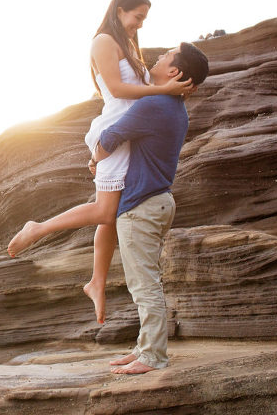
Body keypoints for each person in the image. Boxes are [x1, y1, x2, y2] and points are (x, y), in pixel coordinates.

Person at [7, 0, 192, 325]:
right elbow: (118, 90)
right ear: (120, 10)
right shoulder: (103, 42)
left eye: (143, 21)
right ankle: (39, 229)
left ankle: (96, 282)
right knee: (107, 211)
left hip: (130, 130)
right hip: (116, 128)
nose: (139, 25)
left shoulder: (128, 44)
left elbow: (141, 86)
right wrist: (163, 90)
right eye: (137, 18)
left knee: (112, 210)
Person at [92, 42, 209, 373]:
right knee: (147, 281)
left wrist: (93, 158)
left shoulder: (154, 104)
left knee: (144, 285)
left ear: (174, 71)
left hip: (141, 207)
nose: (158, 58)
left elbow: (110, 138)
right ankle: (145, 347)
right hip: (159, 202)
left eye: (166, 56)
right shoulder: (174, 107)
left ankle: (153, 356)